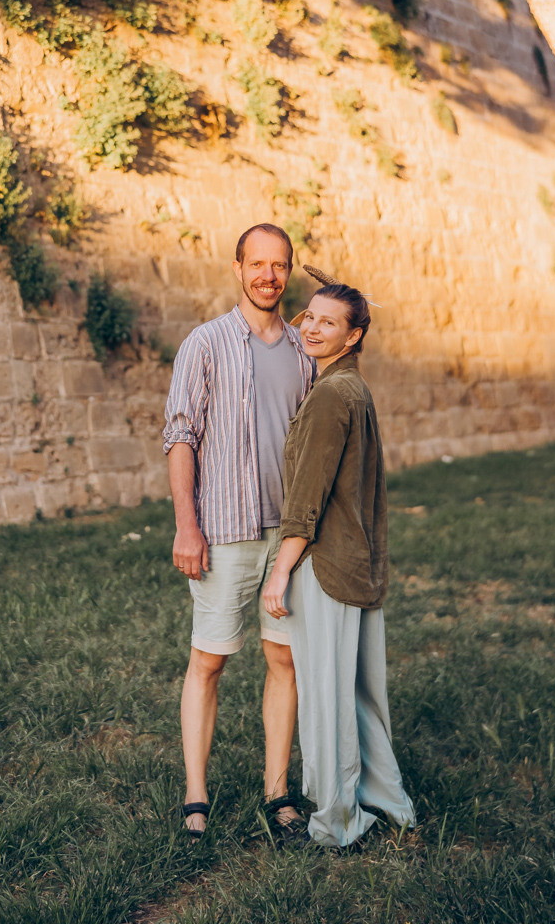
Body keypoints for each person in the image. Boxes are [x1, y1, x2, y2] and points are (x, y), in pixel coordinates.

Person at [163, 224, 314, 843]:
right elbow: (180, 436)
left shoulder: (307, 352)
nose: (268, 276)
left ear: (288, 272)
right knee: (210, 659)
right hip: (222, 529)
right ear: (237, 268)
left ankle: (277, 790)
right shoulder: (204, 343)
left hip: (289, 536)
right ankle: (196, 796)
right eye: (257, 264)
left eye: (279, 266)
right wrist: (186, 526)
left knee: (285, 659)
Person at [261, 275, 416, 849]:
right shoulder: (355, 389)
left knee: (327, 700)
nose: (312, 328)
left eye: (329, 323)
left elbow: (307, 496)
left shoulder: (330, 395)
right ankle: (389, 801)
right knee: (359, 694)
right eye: (310, 317)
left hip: (327, 566)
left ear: (352, 337)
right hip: (359, 563)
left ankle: (336, 820)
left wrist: (281, 571)